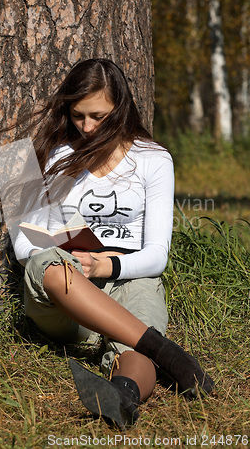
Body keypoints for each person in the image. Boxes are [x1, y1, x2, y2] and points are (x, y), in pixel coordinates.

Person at [12, 58, 214, 429]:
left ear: (120, 109)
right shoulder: (56, 155)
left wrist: (107, 265)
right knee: (48, 265)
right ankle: (168, 354)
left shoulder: (152, 160)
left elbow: (157, 256)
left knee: (135, 350)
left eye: (98, 116)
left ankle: (122, 397)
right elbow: (24, 244)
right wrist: (71, 250)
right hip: (68, 301)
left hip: (129, 279)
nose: (86, 127)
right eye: (77, 116)